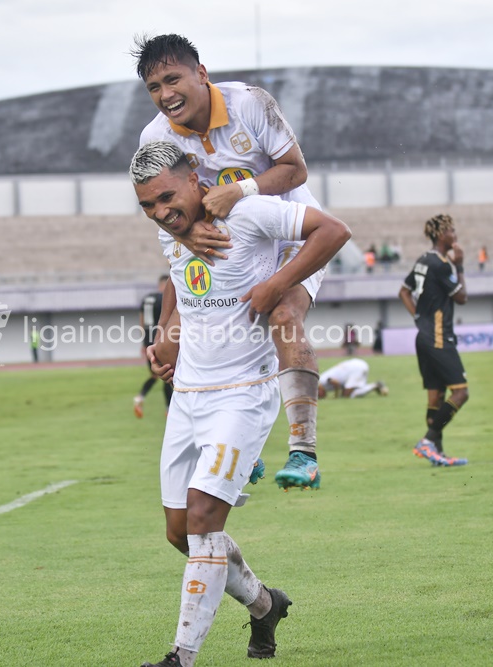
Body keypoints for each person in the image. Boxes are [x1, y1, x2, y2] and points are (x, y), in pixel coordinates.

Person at [130, 141, 350, 667]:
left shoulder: (247, 212)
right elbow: (179, 283)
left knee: (204, 519)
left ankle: (182, 656)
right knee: (180, 534)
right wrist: (165, 337)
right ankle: (265, 605)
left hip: (243, 394)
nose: (160, 212)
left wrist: (276, 284)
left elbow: (333, 231)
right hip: (187, 397)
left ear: (194, 178)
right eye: (147, 205)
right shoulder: (170, 231)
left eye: (166, 198)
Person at [132, 33, 330, 491]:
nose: (165, 95)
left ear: (201, 74)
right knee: (197, 332)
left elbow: (296, 170)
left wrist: (240, 190)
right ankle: (242, 443)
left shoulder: (251, 104)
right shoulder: (154, 136)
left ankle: (303, 451)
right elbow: (158, 201)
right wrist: (184, 232)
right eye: (154, 87)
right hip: (226, 238)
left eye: (173, 79)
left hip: (290, 231)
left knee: (282, 313)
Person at [398, 213, 470, 467]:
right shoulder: (441, 264)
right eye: (451, 230)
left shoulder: (423, 260)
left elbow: (403, 292)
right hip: (439, 337)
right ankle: (428, 441)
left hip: (425, 336)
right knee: (461, 392)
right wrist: (459, 266)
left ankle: (437, 453)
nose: (455, 235)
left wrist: (419, 318)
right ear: (441, 235)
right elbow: (461, 297)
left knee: (436, 396)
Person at [134, 275, 174, 418]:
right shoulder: (164, 298)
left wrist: (144, 342)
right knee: (167, 372)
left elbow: (142, 321)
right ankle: (169, 409)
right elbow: (166, 319)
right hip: (159, 339)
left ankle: (140, 397)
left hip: (147, 341)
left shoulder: (146, 299)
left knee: (154, 374)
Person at [317, 359, 388, 399]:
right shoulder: (319, 381)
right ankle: (374, 386)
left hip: (355, 368)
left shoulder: (321, 380)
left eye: (318, 395)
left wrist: (336, 396)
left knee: (346, 395)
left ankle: (374, 386)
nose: (321, 397)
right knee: (351, 394)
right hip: (356, 365)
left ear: (318, 389)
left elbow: (335, 382)